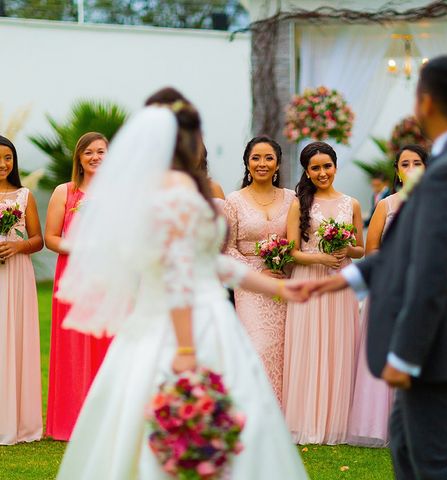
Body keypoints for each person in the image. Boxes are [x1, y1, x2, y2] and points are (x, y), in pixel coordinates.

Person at [55, 102, 309, 479]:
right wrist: (187, 348)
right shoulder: (172, 193)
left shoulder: (177, 189)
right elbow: (178, 272)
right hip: (187, 322)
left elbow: (211, 262)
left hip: (194, 312)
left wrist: (275, 286)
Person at [312, 55, 447, 479]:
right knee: (404, 443)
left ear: (427, 103)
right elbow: (412, 244)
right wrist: (351, 276)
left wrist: (406, 353)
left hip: (436, 340)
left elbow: (434, 271)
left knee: (434, 460)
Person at [284, 141, 364, 445]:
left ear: (335, 166)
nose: (322, 172)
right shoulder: (298, 204)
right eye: (315, 168)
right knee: (309, 345)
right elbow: (292, 252)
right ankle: (306, 420)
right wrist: (319, 257)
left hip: (340, 282)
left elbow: (361, 249)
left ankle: (337, 422)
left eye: (326, 166)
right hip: (309, 280)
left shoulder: (351, 203)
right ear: (307, 170)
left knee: (338, 345)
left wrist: (345, 249)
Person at [348, 144, 428, 447]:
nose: (410, 167)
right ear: (397, 170)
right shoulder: (387, 205)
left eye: (417, 162)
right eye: (404, 163)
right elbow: (372, 250)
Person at [44, 131, 113, 441]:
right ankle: (70, 421)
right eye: (89, 152)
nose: (96, 157)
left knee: (106, 345)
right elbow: (51, 238)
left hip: (109, 281)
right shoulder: (65, 192)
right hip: (72, 280)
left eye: (101, 151)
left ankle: (106, 421)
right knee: (73, 348)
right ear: (80, 159)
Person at [224, 136, 295, 404]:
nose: (262, 164)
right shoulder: (234, 201)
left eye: (268, 158)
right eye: (256, 158)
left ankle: (285, 413)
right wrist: (255, 274)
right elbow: (228, 249)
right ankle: (256, 410)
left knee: (284, 348)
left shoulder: (292, 199)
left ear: (277, 164)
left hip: (283, 279)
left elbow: (299, 238)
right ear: (247, 163)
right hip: (250, 284)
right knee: (259, 346)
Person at [0, 136, 44, 445]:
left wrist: (18, 245)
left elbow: (38, 239)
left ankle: (19, 422)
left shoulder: (24, 195)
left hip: (17, 273)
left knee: (15, 339)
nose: (3, 165)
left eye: (8, 158)